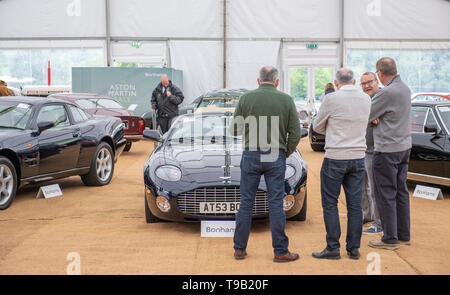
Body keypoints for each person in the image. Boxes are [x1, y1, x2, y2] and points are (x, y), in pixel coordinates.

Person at [231, 66, 301, 263]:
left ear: (258, 80)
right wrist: (284, 152)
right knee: (276, 203)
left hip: (251, 154)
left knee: (246, 202)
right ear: (277, 82)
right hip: (275, 155)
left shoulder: (245, 99)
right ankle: (280, 251)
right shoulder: (286, 100)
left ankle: (239, 249)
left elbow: (234, 129)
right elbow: (295, 133)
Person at [312, 68, 371, 260]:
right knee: (355, 205)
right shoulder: (366, 99)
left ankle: (333, 247)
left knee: (330, 204)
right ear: (354, 82)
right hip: (358, 156)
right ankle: (353, 249)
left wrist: (332, 127)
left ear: (336, 83)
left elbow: (317, 126)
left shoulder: (331, 99)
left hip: (336, 156)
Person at [368, 57, 412, 251]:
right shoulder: (405, 89)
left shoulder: (386, 92)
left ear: (380, 73)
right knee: (401, 192)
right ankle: (403, 235)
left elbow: (366, 114)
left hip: (387, 150)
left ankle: (390, 238)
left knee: (385, 193)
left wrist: (374, 119)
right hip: (404, 148)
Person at [360, 72, 383, 235]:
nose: (367, 85)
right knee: (362, 187)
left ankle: (379, 223)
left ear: (377, 82)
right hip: (363, 149)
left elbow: (377, 120)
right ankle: (367, 215)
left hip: (377, 151)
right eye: (363, 83)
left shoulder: (382, 98)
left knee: (375, 190)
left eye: (370, 82)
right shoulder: (364, 100)